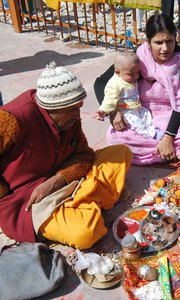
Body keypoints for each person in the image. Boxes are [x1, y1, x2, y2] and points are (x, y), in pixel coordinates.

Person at [0, 62, 132, 249]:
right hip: (29, 199)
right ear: (50, 109)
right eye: (71, 110)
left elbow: (84, 155)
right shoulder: (12, 118)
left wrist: (57, 180)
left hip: (62, 180)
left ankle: (82, 202)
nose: (78, 115)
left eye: (79, 107)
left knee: (121, 152)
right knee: (86, 233)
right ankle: (86, 203)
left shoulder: (70, 120)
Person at [94, 14, 180, 172]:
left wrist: (168, 138)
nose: (165, 48)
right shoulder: (138, 59)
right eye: (158, 42)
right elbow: (100, 83)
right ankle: (177, 152)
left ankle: (162, 149)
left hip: (175, 117)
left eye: (169, 41)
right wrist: (113, 112)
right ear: (148, 42)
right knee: (114, 135)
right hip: (144, 115)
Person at [94, 51, 163, 140]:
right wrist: (103, 111)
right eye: (131, 74)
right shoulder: (114, 84)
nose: (136, 76)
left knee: (147, 115)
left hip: (136, 107)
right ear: (117, 72)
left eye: (138, 72)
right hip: (125, 111)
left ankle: (151, 128)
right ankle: (152, 134)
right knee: (136, 122)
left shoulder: (128, 76)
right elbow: (109, 100)